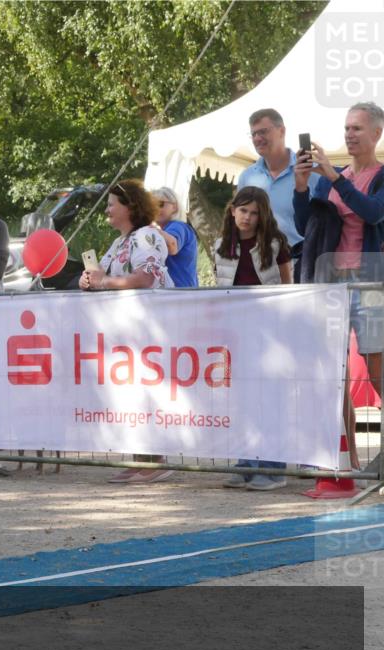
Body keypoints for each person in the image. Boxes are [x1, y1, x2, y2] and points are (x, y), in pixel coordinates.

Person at [294, 101, 384, 471]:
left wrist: (335, 178)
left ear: (377, 133)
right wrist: (301, 187)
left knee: (375, 364)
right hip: (331, 281)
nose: (349, 134)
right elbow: (305, 226)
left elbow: (373, 212)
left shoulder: (375, 175)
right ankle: (347, 456)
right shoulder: (335, 175)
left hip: (371, 282)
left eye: (357, 128)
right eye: (346, 128)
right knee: (334, 369)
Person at [80, 179, 173, 483]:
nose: (106, 208)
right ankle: (139, 458)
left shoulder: (147, 236)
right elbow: (101, 276)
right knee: (130, 395)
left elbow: (145, 277)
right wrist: (88, 281)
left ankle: (157, 460)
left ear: (130, 206)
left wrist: (102, 283)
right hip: (126, 332)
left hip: (150, 329)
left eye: (111, 203)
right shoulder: (119, 243)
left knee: (149, 393)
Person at [212, 187, 292, 490]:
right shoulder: (221, 246)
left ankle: (274, 468)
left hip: (269, 332)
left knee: (268, 400)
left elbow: (287, 285)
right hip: (236, 333)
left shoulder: (274, 245)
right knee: (242, 400)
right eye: (243, 210)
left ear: (262, 216)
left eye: (254, 212)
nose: (247, 217)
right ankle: (247, 463)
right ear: (233, 211)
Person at [239, 108, 320, 282]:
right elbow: (240, 225)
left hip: (303, 268)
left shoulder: (312, 173)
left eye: (263, 132)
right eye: (253, 134)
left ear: (282, 131)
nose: (257, 138)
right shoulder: (247, 177)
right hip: (260, 270)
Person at [151, 187, 198, 287]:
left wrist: (148, 229)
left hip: (180, 294)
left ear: (174, 207)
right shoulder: (165, 230)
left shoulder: (178, 226)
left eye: (160, 204)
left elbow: (171, 245)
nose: (155, 209)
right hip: (177, 294)